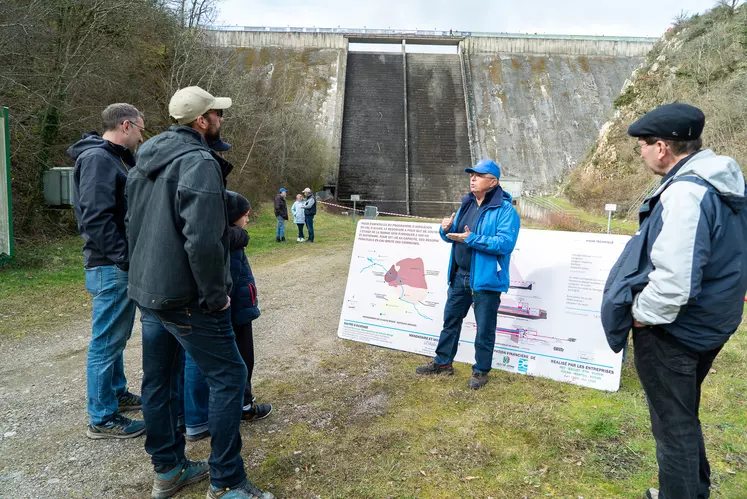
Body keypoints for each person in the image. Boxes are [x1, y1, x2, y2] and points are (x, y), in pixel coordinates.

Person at [126, 85, 274, 499]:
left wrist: (136, 277)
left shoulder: (146, 157)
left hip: (149, 292)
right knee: (229, 377)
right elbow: (204, 239)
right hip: (187, 298)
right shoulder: (198, 162)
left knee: (159, 383)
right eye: (217, 114)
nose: (220, 120)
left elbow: (132, 225)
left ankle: (169, 470)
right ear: (201, 121)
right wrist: (215, 296)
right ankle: (226, 480)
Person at [601, 103, 747, 499]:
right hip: (711, 322)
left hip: (676, 330)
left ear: (662, 147)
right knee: (682, 415)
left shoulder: (686, 193)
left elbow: (676, 281)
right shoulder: (724, 182)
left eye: (642, 146)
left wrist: (642, 317)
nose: (641, 153)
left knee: (673, 427)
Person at [68, 103, 146, 440]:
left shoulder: (114, 157)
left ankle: (116, 392)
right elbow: (95, 217)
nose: (143, 134)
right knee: (106, 342)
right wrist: (123, 258)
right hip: (110, 265)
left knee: (115, 337)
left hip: (111, 264)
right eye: (141, 127)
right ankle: (102, 417)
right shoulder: (99, 159)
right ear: (126, 125)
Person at [415, 159, 520, 390]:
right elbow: (455, 235)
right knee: (450, 321)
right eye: (471, 175)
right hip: (460, 275)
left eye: (479, 175)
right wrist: (445, 230)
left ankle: (481, 371)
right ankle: (443, 363)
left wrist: (472, 239)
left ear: (493, 182)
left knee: (484, 329)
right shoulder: (466, 205)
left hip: (485, 280)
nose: (472, 178)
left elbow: (504, 244)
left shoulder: (505, 210)